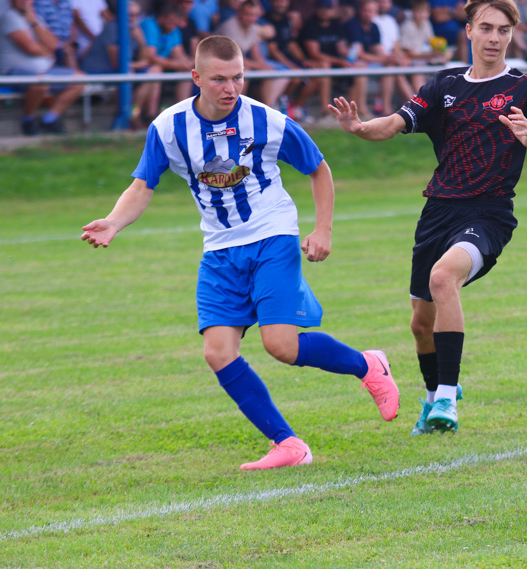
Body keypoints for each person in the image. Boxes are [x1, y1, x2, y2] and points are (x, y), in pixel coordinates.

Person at [81, 35, 400, 471]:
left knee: (281, 346)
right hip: (219, 249)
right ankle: (288, 444)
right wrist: (114, 222)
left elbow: (318, 168)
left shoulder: (268, 121)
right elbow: (142, 187)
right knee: (217, 352)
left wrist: (322, 228)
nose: (230, 88)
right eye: (218, 79)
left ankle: (367, 366)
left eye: (238, 78)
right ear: (196, 78)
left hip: (273, 235)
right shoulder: (168, 128)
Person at [328, 0, 527, 435]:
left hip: (489, 212)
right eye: (487, 28)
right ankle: (432, 397)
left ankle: (447, 399)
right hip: (438, 211)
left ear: (512, 35)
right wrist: (360, 128)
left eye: (504, 30)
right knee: (421, 324)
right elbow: (396, 123)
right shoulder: (443, 85)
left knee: (444, 278)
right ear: (470, 32)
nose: (495, 38)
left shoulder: (526, 88)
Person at [0, 0, 85, 134]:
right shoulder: (10, 17)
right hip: (13, 71)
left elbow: (53, 44)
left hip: (44, 71)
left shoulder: (35, 18)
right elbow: (30, 48)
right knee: (41, 83)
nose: (26, 2)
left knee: (80, 79)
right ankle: (27, 120)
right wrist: (45, 50)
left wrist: (33, 23)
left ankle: (50, 119)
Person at [79, 0, 162, 128]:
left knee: (155, 70)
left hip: (120, 70)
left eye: (136, 15)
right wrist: (137, 65)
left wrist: (141, 40)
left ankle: (133, 115)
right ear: (121, 15)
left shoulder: (135, 30)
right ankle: (129, 118)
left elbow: (144, 59)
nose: (133, 18)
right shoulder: (113, 28)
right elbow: (117, 63)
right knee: (137, 74)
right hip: (96, 70)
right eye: (129, 15)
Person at [216, 0, 291, 107]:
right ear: (239, 13)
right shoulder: (229, 27)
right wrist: (261, 67)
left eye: (254, 15)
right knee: (244, 71)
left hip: (238, 63)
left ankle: (267, 108)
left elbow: (256, 55)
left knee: (272, 71)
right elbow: (233, 58)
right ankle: (236, 108)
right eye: (248, 14)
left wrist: (264, 67)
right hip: (220, 63)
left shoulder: (254, 28)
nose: (251, 18)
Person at [140, 3, 194, 102]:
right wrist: (176, 64)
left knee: (187, 71)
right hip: (142, 66)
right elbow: (151, 57)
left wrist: (188, 63)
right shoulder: (149, 25)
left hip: (162, 66)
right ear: (161, 18)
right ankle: (137, 114)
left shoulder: (173, 28)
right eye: (171, 23)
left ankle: (182, 110)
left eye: (175, 24)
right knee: (156, 69)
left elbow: (178, 54)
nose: (173, 27)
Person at [400, 0, 451, 90]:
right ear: (413, 12)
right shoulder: (407, 26)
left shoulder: (426, 23)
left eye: (425, 12)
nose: (423, 15)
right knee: (418, 73)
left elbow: (432, 42)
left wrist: (441, 51)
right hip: (411, 62)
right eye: (420, 12)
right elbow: (408, 54)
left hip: (425, 60)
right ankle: (421, 101)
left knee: (446, 59)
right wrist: (431, 55)